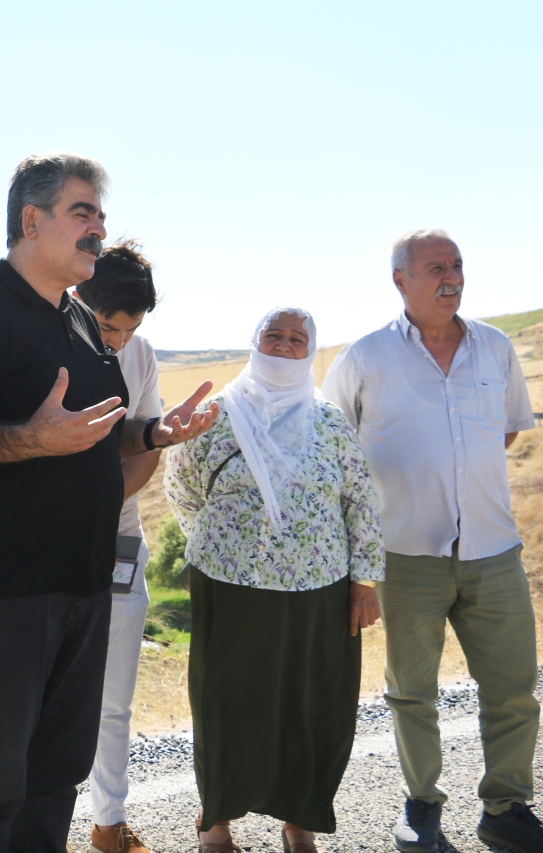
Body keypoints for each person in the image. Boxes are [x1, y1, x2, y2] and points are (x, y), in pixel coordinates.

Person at [0, 152, 217, 853]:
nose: (98, 229)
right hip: (0, 594)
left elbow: (103, 428)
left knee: (57, 775)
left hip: (84, 583)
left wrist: (158, 431)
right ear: (31, 219)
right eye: (84, 213)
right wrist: (28, 440)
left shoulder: (79, 320)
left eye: (101, 215)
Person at [322, 229, 541, 853]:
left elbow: (503, 435)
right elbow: (332, 449)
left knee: (514, 691)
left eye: (458, 266)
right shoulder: (364, 358)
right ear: (400, 280)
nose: (452, 277)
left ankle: (507, 808)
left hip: (494, 552)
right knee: (411, 693)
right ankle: (422, 809)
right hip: (407, 557)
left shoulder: (495, 349)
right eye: (436, 267)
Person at [164, 307, 385, 853]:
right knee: (225, 703)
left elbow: (359, 501)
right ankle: (215, 824)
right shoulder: (218, 413)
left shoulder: (329, 420)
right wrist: (225, 545)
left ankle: (298, 821)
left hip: (320, 590)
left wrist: (365, 582)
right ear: (255, 342)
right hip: (230, 586)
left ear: (309, 349)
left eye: (296, 338)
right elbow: (183, 489)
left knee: (308, 705)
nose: (284, 346)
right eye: (273, 335)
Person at [73, 241, 163, 853]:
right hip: (50, 549)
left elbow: (147, 448)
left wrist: (102, 512)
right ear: (79, 298)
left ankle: (108, 825)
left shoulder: (142, 354)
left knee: (113, 703)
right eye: (110, 326)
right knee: (48, 700)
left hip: (120, 545)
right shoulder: (44, 344)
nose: (121, 342)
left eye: (132, 329)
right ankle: (39, 827)